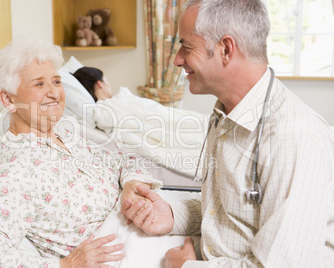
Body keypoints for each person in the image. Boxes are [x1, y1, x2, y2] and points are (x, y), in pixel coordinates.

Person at [122, 0, 334, 267]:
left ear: (225, 49)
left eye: (186, 47)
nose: (176, 59)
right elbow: (232, 211)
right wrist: (173, 215)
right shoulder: (226, 115)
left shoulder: (293, 137)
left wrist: (186, 266)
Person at [0, 38, 162, 268]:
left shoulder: (67, 136)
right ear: (8, 99)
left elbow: (125, 160)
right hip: (130, 254)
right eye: (39, 84)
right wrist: (66, 265)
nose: (54, 93)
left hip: (150, 229)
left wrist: (131, 184)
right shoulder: (19, 167)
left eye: (56, 81)